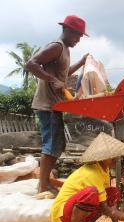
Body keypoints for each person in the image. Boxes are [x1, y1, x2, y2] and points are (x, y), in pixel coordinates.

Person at [26, 15, 89, 193]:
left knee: (58, 145)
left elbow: (64, 74)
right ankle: (43, 185)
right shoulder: (56, 46)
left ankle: (44, 183)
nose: (78, 40)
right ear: (67, 30)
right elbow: (30, 64)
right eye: (77, 35)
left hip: (55, 105)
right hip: (47, 105)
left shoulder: (66, 50)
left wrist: (81, 62)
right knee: (51, 145)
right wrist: (52, 80)